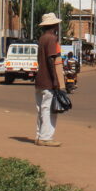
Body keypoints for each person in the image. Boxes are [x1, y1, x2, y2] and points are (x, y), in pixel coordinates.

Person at [33, 12, 63, 147]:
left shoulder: (42, 38)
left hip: (39, 80)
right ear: (54, 25)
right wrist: (55, 79)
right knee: (49, 110)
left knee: (41, 109)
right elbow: (51, 60)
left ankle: (39, 136)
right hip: (48, 80)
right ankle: (46, 137)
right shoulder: (52, 38)